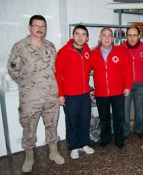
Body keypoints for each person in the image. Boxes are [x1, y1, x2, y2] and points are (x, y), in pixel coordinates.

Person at [7, 15, 65, 173]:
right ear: (29, 27)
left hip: (51, 95)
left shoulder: (50, 46)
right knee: (29, 127)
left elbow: (56, 69)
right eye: (36, 26)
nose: (40, 29)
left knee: (52, 125)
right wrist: (26, 84)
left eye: (43, 26)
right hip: (30, 98)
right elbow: (13, 70)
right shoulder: (20, 47)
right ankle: (29, 156)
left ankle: (53, 152)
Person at [55, 24, 94, 159]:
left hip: (84, 94)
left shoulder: (88, 51)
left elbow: (90, 67)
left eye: (83, 34)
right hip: (70, 95)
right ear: (73, 36)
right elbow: (58, 74)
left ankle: (83, 143)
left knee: (84, 120)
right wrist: (60, 94)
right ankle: (74, 146)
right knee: (72, 122)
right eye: (77, 34)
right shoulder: (64, 51)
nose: (80, 37)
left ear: (87, 37)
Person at [91, 27, 133, 150]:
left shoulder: (120, 53)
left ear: (113, 38)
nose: (107, 38)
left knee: (118, 118)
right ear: (100, 38)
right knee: (104, 119)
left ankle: (119, 141)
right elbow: (84, 69)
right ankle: (105, 139)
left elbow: (128, 72)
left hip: (118, 92)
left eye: (109, 35)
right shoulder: (93, 54)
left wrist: (128, 87)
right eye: (104, 35)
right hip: (101, 93)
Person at [119, 27, 143, 139]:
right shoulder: (121, 49)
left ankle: (138, 129)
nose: (132, 38)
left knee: (138, 109)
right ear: (126, 36)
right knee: (125, 109)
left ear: (139, 36)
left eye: (134, 35)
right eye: (129, 35)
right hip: (125, 85)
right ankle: (125, 131)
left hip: (140, 85)